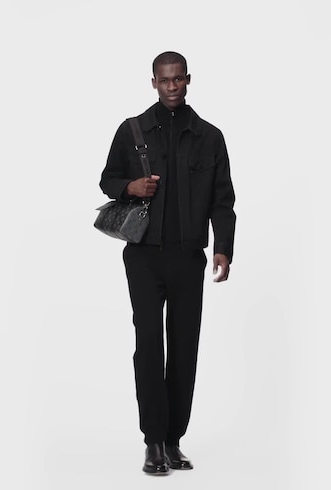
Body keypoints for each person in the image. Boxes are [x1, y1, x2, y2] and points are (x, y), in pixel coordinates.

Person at [99, 51, 236, 475]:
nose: (172, 86)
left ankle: (174, 440)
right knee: (149, 347)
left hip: (188, 258)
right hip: (143, 257)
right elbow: (107, 179)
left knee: (184, 348)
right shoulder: (132, 130)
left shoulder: (210, 137)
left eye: (178, 79)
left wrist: (223, 247)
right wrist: (131, 187)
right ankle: (153, 442)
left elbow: (223, 199)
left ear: (188, 80)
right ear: (154, 82)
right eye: (164, 80)